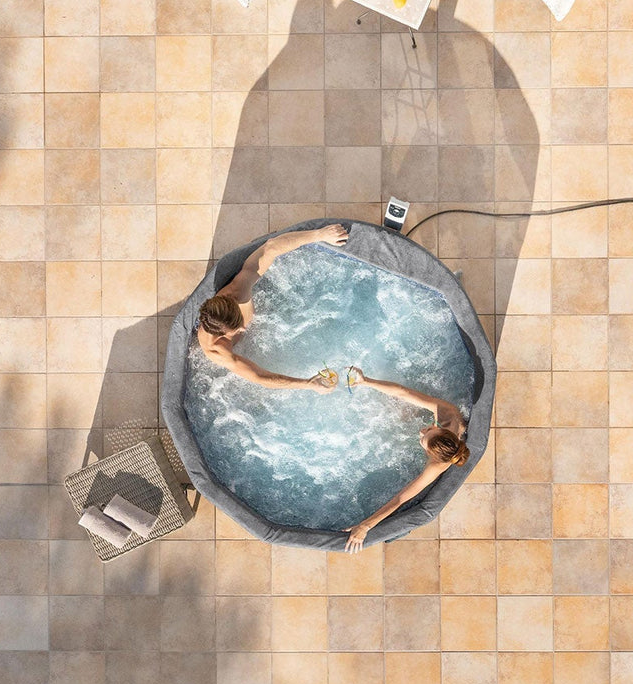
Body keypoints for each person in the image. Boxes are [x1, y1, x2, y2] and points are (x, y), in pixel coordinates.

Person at [196, 223, 350, 392]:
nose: (243, 328)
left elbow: (271, 247)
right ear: (221, 334)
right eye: (237, 329)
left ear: (232, 303)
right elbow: (260, 377)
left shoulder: (236, 291)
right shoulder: (216, 349)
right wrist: (308, 384)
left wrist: (319, 235)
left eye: (239, 323)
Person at [343, 367, 469, 553]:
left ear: (430, 454)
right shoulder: (448, 414)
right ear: (442, 429)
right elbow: (403, 393)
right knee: (397, 408)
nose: (421, 431)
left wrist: (365, 526)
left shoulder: (436, 466)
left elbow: (401, 498)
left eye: (423, 440)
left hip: (434, 467)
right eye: (430, 429)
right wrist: (366, 381)